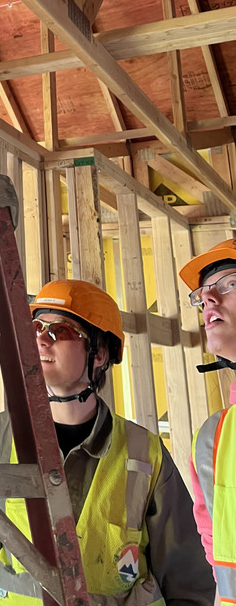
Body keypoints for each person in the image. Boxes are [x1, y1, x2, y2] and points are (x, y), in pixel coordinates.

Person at [0, 279, 214, 605]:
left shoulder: (145, 453)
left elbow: (188, 585)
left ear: (99, 353)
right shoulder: (0, 437)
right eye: (37, 326)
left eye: (60, 331)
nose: (41, 338)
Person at [180, 238, 236, 603]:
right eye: (202, 295)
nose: (209, 301)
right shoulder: (212, 439)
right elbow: (221, 570)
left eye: (230, 283)